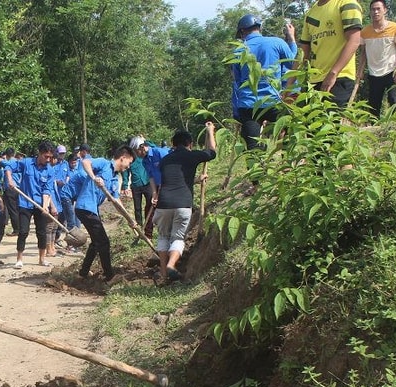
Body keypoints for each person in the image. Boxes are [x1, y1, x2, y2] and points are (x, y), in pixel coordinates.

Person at [61, 146, 135, 281]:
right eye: (129, 163)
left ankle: (83, 272)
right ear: (123, 158)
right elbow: (85, 162)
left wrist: (129, 219)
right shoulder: (104, 163)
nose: (128, 166)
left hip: (92, 210)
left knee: (96, 242)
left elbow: (116, 201)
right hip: (85, 207)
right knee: (104, 242)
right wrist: (94, 177)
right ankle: (109, 275)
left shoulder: (113, 178)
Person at [154, 124, 217, 282]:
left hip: (163, 204)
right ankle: (171, 265)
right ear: (190, 144)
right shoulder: (192, 155)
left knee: (163, 237)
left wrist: (196, 180)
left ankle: (163, 273)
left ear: (173, 145)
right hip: (183, 203)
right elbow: (212, 152)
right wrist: (210, 132)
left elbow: (174, 179)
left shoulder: (165, 160)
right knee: (178, 238)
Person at [232, 14, 297, 151]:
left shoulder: (239, 50)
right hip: (274, 101)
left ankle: (258, 169)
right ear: (259, 28)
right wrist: (292, 40)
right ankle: (287, 167)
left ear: (242, 31)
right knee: (286, 135)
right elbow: (294, 65)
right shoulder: (277, 42)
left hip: (249, 105)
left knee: (253, 147)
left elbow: (238, 81)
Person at [296, 0, 364, 108]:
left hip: (339, 78)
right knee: (304, 122)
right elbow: (303, 51)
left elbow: (354, 41)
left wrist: (333, 73)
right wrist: (289, 83)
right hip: (313, 81)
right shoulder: (311, 13)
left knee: (330, 122)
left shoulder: (347, 4)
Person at [5, 141, 57, 269]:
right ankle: (19, 259)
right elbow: (8, 167)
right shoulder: (26, 163)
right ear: (39, 153)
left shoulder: (49, 170)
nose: (48, 159)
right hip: (25, 203)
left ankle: (42, 259)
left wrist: (45, 206)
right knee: (23, 231)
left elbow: (47, 190)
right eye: (46, 156)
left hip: (39, 204)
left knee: (41, 232)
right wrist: (10, 179)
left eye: (50, 157)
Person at [357, 0, 396, 118]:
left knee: (393, 100)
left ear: (385, 10)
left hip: (391, 71)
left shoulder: (395, 28)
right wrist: (360, 71)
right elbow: (363, 53)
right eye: (373, 9)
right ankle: (374, 130)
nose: (376, 12)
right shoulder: (364, 32)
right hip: (374, 73)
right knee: (374, 105)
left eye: (378, 9)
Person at [127, 136, 155, 238]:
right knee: (137, 209)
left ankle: (148, 232)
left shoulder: (145, 155)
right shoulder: (131, 157)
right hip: (135, 185)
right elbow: (126, 172)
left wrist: (146, 140)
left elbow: (153, 147)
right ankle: (139, 230)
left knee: (150, 206)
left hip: (147, 183)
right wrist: (125, 186)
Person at [0, 147, 21, 236]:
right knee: (18, 209)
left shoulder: (7, 163)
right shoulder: (18, 162)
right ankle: (20, 228)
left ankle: (16, 230)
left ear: (6, 155)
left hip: (10, 188)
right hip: (18, 188)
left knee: (12, 210)